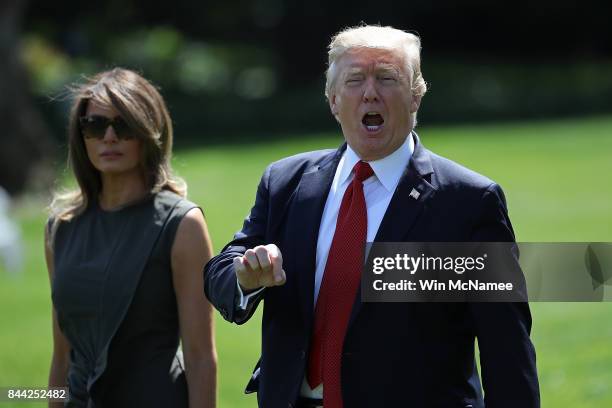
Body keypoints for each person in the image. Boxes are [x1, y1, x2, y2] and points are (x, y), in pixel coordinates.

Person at [205, 25, 539, 408]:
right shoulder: (286, 183)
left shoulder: (468, 201)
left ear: (416, 96)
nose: (370, 92)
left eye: (386, 78)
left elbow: (506, 348)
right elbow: (220, 272)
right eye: (354, 80)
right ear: (332, 99)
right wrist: (244, 278)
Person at [45, 68, 217, 407]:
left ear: (148, 132)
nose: (109, 136)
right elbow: (62, 358)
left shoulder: (182, 224)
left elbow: (200, 357)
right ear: (81, 137)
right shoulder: (60, 227)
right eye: (95, 125)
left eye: (123, 125)